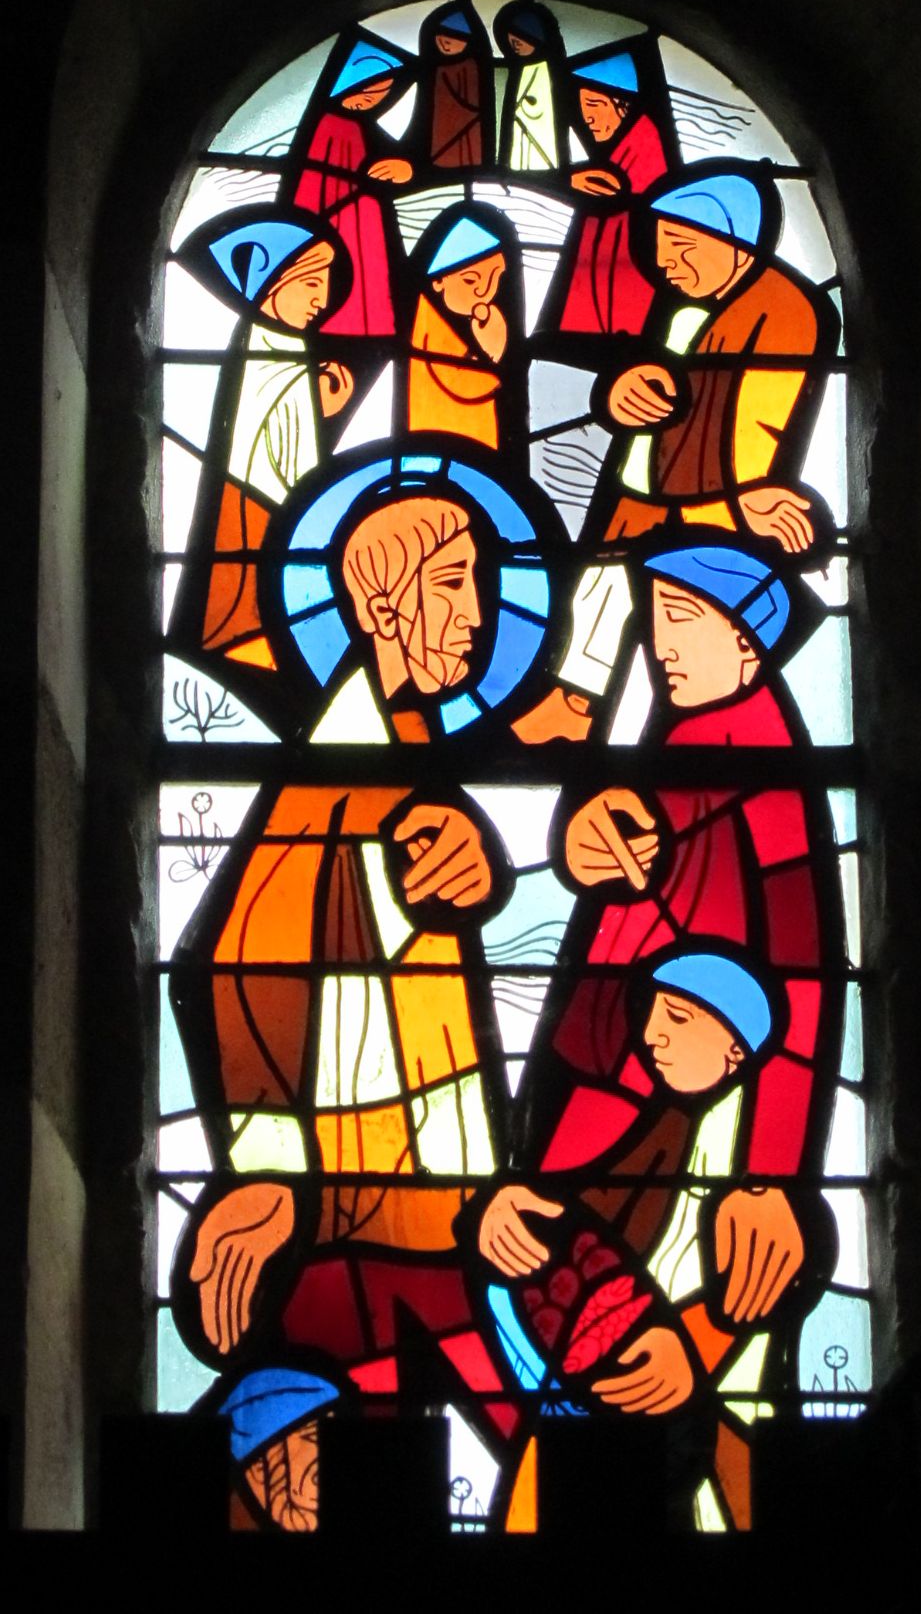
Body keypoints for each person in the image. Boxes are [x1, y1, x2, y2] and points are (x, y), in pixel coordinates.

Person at [169, 457, 564, 1529]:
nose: (479, 613)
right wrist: (270, 1170)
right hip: (369, 1221)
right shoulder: (339, 766)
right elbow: (235, 963)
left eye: (483, 581)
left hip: (437, 1215)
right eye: (455, 583)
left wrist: (484, 863)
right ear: (383, 608)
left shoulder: (409, 746)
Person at [471, 946, 827, 1524]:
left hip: (684, 1428)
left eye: (678, 1017)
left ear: (736, 1050)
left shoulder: (755, 1186)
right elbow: (573, 1225)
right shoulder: (637, 1127)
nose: (654, 1034)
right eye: (654, 1013)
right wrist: (495, 1213)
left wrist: (694, 1352)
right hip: (593, 1391)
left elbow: (753, 1300)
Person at [592, 163, 840, 552]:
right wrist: (618, 397)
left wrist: (744, 498)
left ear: (734, 241)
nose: (666, 262)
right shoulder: (685, 313)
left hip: (695, 520)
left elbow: (760, 427)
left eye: (682, 246)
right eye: (662, 248)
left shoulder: (783, 310)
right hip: (645, 509)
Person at [167, 209, 356, 692]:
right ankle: (246, 638)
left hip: (276, 505)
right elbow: (273, 453)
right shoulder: (266, 352)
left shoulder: (285, 351)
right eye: (312, 283)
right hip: (256, 505)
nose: (322, 299)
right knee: (248, 589)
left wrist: (317, 399)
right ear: (274, 283)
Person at [539, 41, 673, 337]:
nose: (586, 117)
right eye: (582, 106)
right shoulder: (617, 153)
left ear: (621, 104)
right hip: (602, 284)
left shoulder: (644, 146)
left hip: (622, 292)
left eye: (594, 105)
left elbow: (639, 218)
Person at [288, 28, 415, 335]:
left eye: (381, 97)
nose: (373, 103)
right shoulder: (327, 127)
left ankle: (367, 331)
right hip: (337, 226)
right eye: (367, 94)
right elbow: (312, 190)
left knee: (369, 287)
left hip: (365, 227)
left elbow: (400, 162)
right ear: (348, 85)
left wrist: (404, 170)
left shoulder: (361, 128)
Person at [402, 204, 528, 468]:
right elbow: (464, 385)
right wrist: (492, 352)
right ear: (438, 281)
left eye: (496, 278)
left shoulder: (465, 324)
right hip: (438, 447)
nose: (485, 291)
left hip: (470, 445)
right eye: (470, 280)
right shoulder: (429, 321)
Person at [406, 0, 494, 172]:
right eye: (439, 42)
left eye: (448, 42)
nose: (443, 46)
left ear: (466, 42)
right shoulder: (436, 70)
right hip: (441, 129)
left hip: (468, 128)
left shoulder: (470, 67)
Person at [493, 0, 569, 174]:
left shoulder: (549, 72)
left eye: (518, 42)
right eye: (511, 43)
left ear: (536, 39)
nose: (514, 48)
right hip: (518, 145)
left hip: (543, 145)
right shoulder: (515, 74)